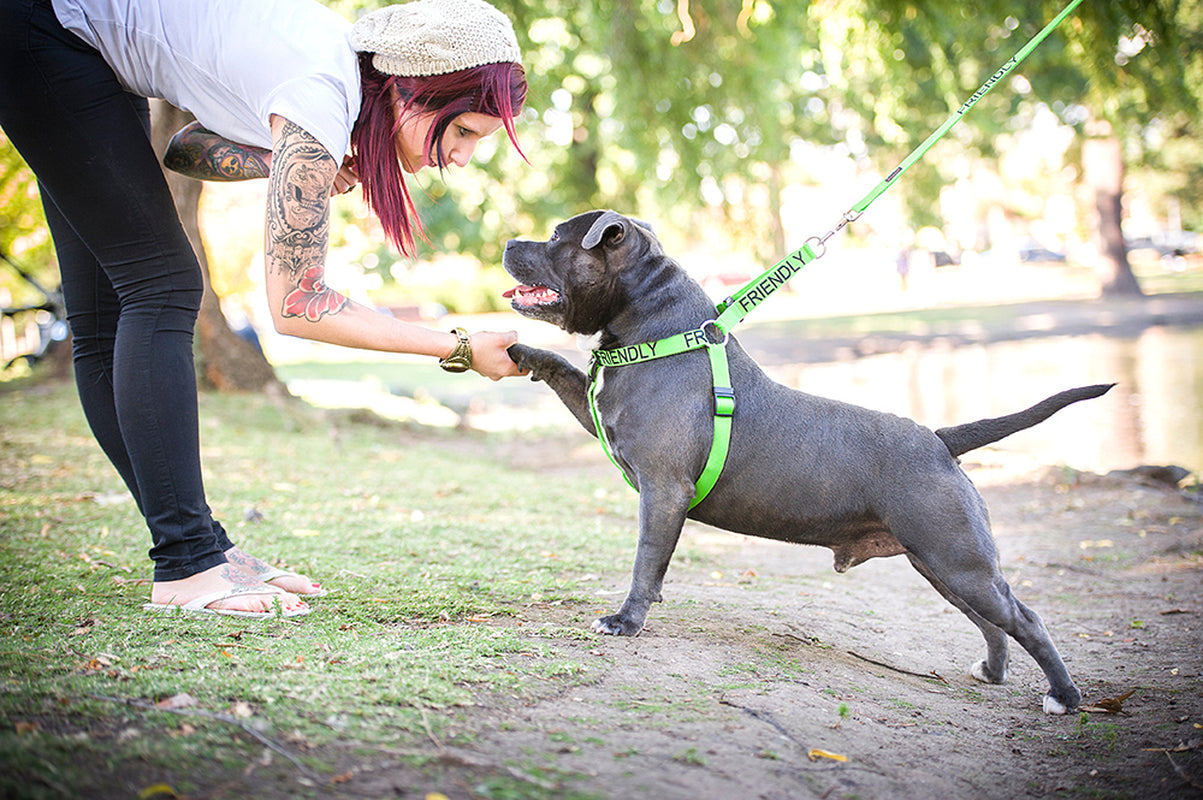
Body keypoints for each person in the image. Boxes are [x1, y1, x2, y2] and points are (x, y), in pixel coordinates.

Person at [0, 0, 530, 618]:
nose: (463, 157)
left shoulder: (331, 81)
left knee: (108, 312)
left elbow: (185, 147)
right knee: (163, 287)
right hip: (45, 30)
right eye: (463, 131)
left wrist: (283, 163)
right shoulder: (324, 94)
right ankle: (187, 562)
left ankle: (202, 548)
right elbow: (299, 305)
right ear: (413, 90)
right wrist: (459, 346)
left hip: (77, 52)